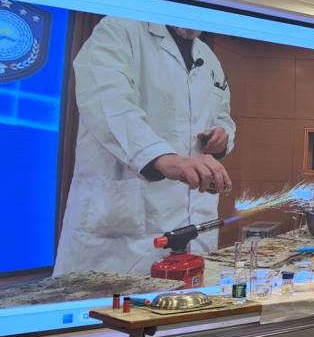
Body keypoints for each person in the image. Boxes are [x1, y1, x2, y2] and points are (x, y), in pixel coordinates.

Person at [54, 17, 236, 276]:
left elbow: (223, 116)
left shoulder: (209, 58)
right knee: (116, 299)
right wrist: (162, 157)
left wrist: (222, 135)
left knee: (189, 298)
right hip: (125, 226)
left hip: (197, 219)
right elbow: (107, 103)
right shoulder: (118, 30)